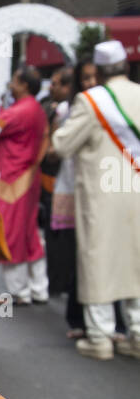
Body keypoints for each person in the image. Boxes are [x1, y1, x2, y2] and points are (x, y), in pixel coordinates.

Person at [52, 39, 140, 359]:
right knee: (136, 261)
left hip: (103, 193)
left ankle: (100, 336)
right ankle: (137, 332)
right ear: (126, 66)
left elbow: (62, 144)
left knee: (98, 258)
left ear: (99, 71)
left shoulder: (91, 101)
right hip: (136, 193)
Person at [0, 65, 50, 306]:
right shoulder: (36, 109)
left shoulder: (18, 111)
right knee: (29, 233)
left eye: (14, 80)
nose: (11, 85)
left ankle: (19, 292)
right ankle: (39, 288)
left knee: (10, 234)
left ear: (24, 85)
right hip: (29, 177)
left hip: (11, 179)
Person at [45, 66, 84, 338]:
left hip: (85, 189)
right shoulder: (64, 111)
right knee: (66, 244)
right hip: (70, 185)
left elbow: (55, 148)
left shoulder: (81, 110)